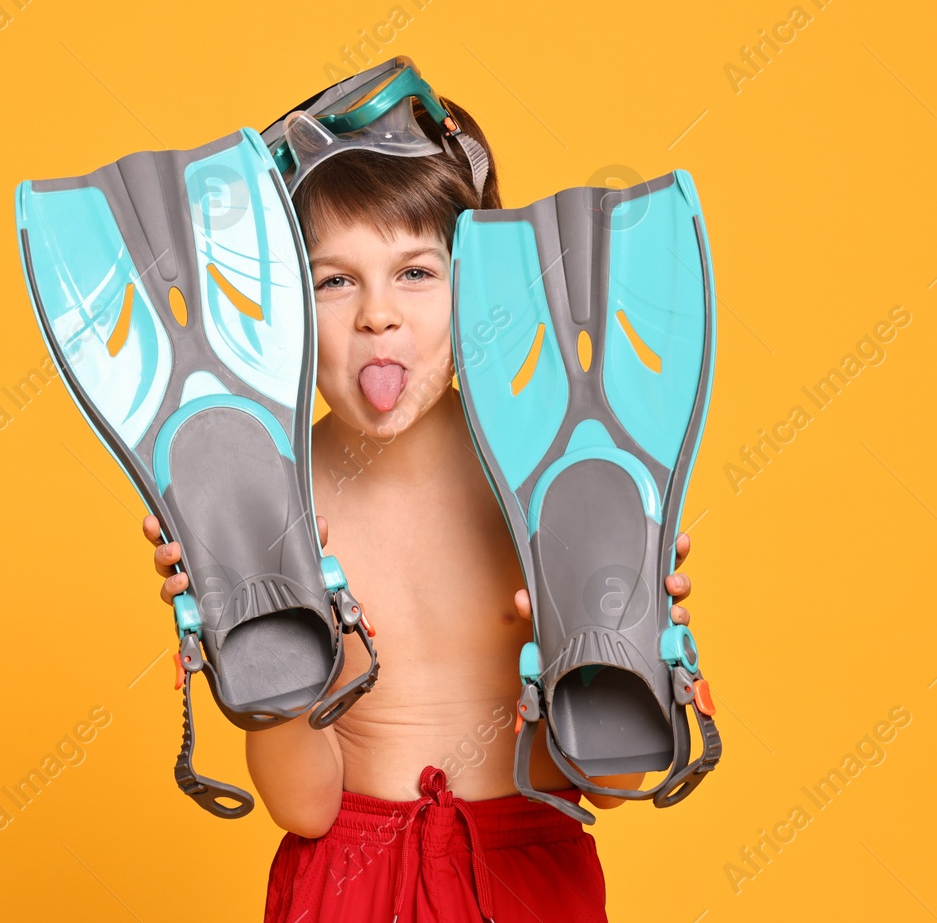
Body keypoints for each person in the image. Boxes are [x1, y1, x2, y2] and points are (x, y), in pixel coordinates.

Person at [140, 91, 695, 922]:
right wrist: (245, 632)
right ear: (285, 305)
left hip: (526, 878)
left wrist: (623, 633)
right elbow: (305, 807)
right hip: (345, 883)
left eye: (415, 272)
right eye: (335, 280)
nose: (378, 314)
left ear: (478, 289)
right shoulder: (265, 490)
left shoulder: (558, 474)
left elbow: (612, 782)